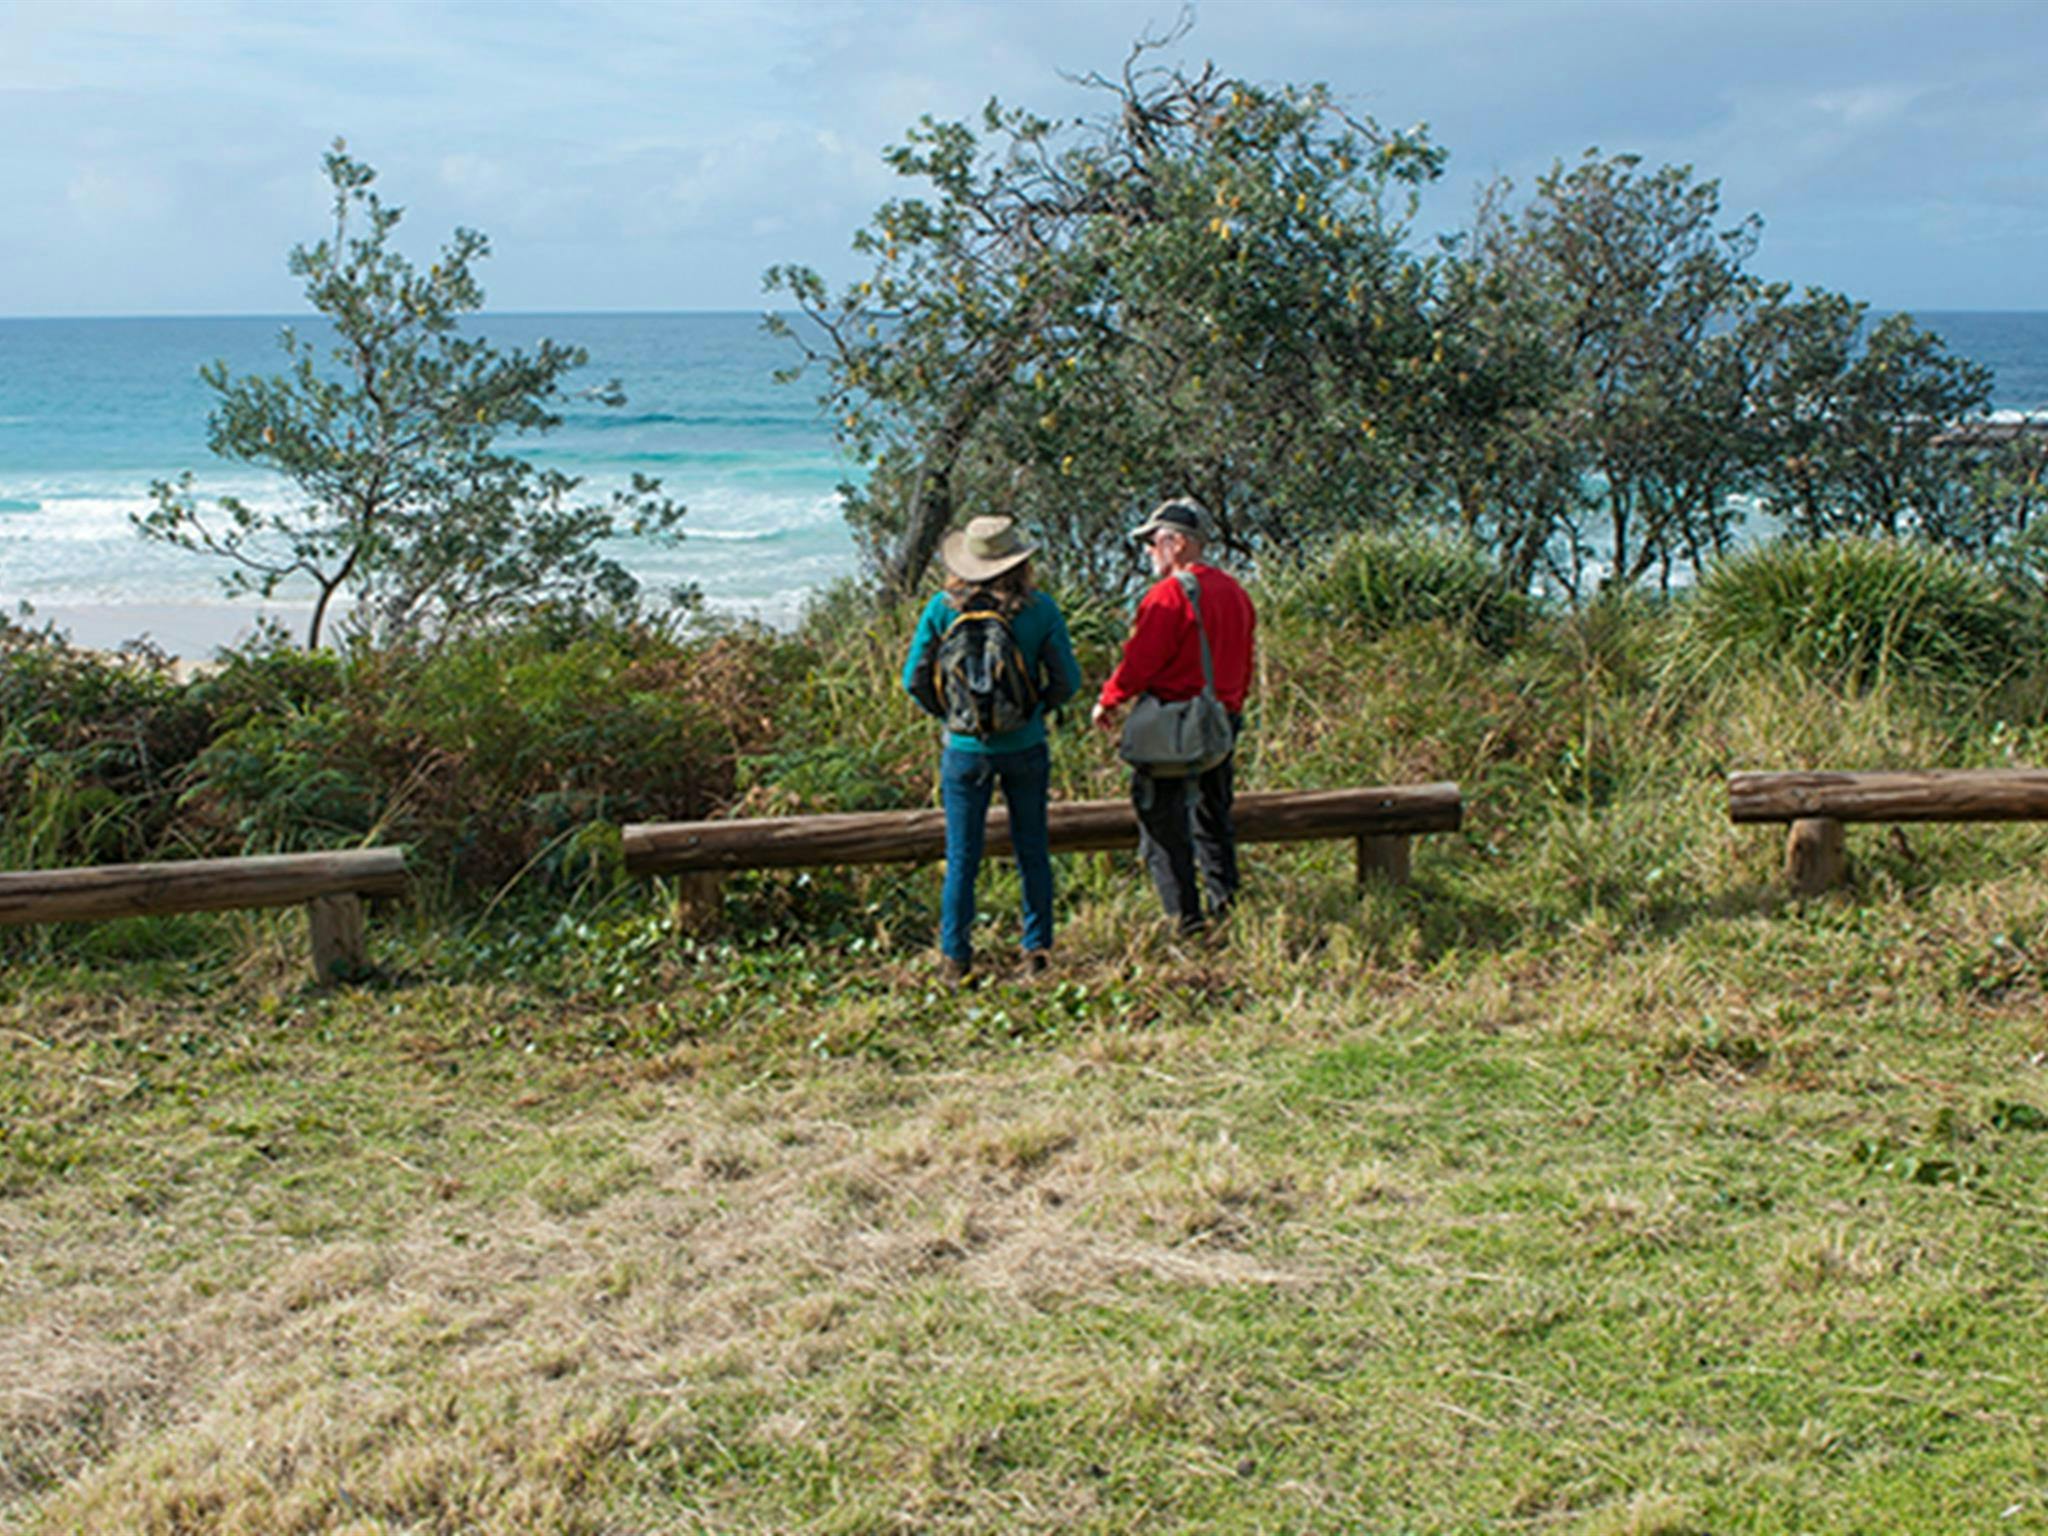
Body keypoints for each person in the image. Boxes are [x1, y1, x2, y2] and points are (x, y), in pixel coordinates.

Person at [903, 515, 1082, 981]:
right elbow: (1069, 681)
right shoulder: (1040, 610)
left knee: (962, 854)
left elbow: (913, 680)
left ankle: (955, 958)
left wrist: (949, 716)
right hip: (1024, 745)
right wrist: (1036, 710)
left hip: (964, 750)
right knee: (1031, 850)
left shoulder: (942, 610)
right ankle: (1036, 953)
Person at [1091, 497, 1256, 935]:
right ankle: (1227, 908)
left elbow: (1140, 661)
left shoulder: (1168, 594)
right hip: (1221, 718)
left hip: (1173, 724)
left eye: (1152, 542)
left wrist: (1109, 699)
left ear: (1177, 543)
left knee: (1163, 822)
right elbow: (1244, 661)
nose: (1148, 551)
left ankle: (1185, 921)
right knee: (1214, 817)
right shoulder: (1236, 593)